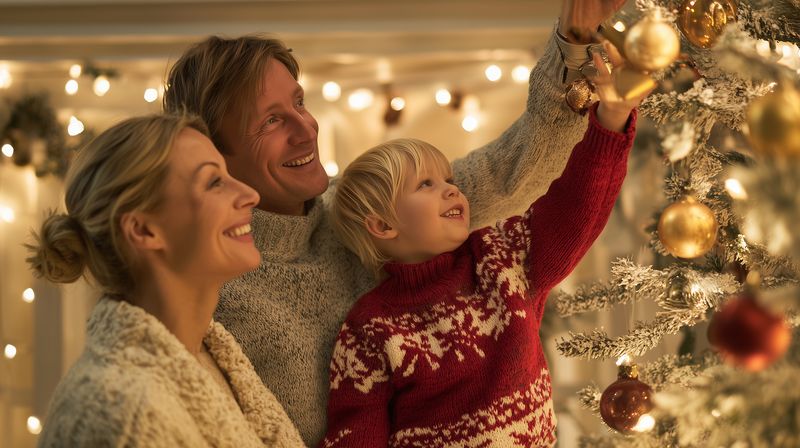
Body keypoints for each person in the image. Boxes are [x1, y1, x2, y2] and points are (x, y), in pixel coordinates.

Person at [163, 1, 626, 444]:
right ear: (213, 156)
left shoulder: (374, 205)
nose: (306, 129)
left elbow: (513, 170)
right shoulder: (214, 298)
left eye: (299, 103)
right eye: (270, 122)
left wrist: (577, 46)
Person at [321, 45, 643, 447]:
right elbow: (355, 433)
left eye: (448, 181)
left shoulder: (498, 258)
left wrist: (610, 121)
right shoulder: (370, 327)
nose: (451, 190)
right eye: (427, 185)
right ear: (383, 225)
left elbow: (572, 210)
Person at [26, 114, 305, 447]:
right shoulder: (121, 417)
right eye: (214, 182)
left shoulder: (210, 360)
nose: (249, 195)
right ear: (144, 230)